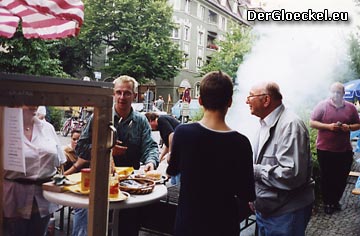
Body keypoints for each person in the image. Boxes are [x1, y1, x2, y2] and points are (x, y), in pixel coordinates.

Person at [65, 75, 159, 236]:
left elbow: (150, 146)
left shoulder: (141, 121)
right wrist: (106, 150)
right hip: (100, 184)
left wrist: (151, 162)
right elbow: (81, 148)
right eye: (119, 92)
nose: (122, 97)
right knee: (97, 229)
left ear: (134, 96)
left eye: (127, 93)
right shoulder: (99, 117)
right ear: (113, 94)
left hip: (130, 186)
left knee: (128, 229)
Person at [166, 71, 256, 236]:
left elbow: (172, 170)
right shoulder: (241, 143)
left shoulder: (183, 133)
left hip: (188, 224)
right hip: (224, 226)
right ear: (229, 102)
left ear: (200, 101)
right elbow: (247, 193)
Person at [246, 81, 314, 236]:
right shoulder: (265, 123)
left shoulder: (290, 125)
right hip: (269, 210)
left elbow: (292, 175)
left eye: (250, 96)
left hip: (286, 213)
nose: (246, 100)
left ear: (266, 100)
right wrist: (253, 196)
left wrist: (254, 170)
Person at [3, 106, 66, 236]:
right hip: (14, 196)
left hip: (43, 198)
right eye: (28, 99)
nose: (34, 104)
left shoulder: (47, 128)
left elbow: (60, 161)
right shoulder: (5, 128)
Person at [310, 82, 360, 214]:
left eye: (338, 92)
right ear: (329, 92)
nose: (335, 94)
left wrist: (348, 127)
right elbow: (312, 122)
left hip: (344, 149)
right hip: (325, 149)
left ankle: (336, 200)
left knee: (342, 177)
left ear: (343, 94)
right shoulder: (322, 106)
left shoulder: (350, 108)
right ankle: (328, 203)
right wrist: (329, 127)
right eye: (333, 91)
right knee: (327, 177)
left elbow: (357, 124)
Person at [145, 111, 181, 184]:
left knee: (178, 173)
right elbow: (167, 145)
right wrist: (160, 158)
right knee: (173, 172)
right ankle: (173, 184)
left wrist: (170, 153)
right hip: (178, 149)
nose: (150, 128)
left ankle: (178, 187)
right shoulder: (161, 128)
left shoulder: (161, 120)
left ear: (151, 120)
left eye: (148, 125)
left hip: (182, 147)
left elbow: (171, 135)